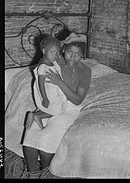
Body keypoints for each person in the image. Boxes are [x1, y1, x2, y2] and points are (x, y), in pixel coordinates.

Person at [21, 34, 91, 178]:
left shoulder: (85, 71)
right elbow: (49, 48)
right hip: (51, 103)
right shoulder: (55, 60)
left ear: (82, 56)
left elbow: (77, 100)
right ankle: (32, 174)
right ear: (63, 51)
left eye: (78, 54)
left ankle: (47, 175)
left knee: (47, 140)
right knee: (30, 135)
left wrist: (59, 82)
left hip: (69, 107)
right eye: (70, 52)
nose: (73, 57)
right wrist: (65, 40)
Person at [25, 36, 67, 130]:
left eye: (57, 53)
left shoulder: (53, 62)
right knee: (57, 110)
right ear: (44, 51)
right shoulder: (43, 67)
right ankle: (38, 116)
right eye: (52, 52)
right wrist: (44, 98)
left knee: (52, 108)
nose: (55, 55)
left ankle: (35, 115)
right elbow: (40, 83)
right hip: (49, 92)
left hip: (55, 90)